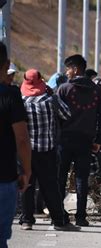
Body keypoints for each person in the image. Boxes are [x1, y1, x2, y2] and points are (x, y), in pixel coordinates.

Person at [19, 69, 80, 231]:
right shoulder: (50, 99)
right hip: (47, 151)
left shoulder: (21, 100)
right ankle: (59, 221)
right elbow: (67, 115)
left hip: (27, 151)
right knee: (50, 186)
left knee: (27, 186)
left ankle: (27, 220)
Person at [56, 54, 101, 226]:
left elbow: (56, 116)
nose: (66, 72)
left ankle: (60, 214)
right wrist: (98, 139)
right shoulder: (97, 90)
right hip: (86, 141)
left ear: (75, 69)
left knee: (60, 177)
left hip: (65, 140)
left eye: (68, 68)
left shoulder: (63, 89)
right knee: (81, 179)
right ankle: (80, 216)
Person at [0, 41, 31, 248]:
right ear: (6, 64)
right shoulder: (10, 95)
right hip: (4, 177)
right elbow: (21, 138)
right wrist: (27, 171)